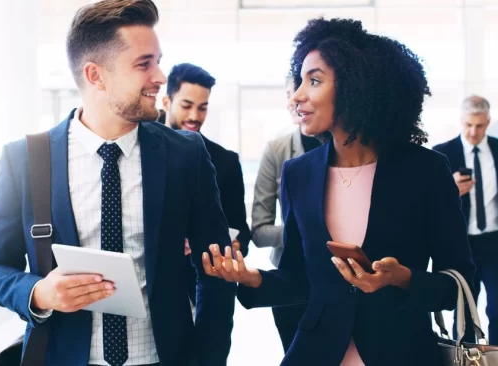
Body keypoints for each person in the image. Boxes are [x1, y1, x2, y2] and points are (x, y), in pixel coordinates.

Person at [0, 1, 236, 365]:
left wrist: (208, 358)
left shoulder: (185, 155)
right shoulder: (26, 159)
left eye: (158, 60)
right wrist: (38, 293)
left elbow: (217, 270)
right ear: (95, 75)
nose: (160, 76)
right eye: (144, 64)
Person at [202, 17, 475, 365]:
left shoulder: (426, 170)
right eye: (299, 80)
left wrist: (403, 278)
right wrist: (252, 278)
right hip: (317, 353)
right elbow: (300, 279)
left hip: (402, 351)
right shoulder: (298, 173)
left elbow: (459, 282)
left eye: (314, 81)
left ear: (355, 86)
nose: (298, 95)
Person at [162, 62, 251, 304]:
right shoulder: (140, 153)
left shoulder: (226, 161)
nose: (194, 117)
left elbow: (241, 229)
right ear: (166, 103)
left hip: (206, 292)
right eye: (186, 106)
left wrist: (234, 245)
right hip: (152, 288)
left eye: (202, 108)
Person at [251, 74, 323, 352]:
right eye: (290, 93)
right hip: (291, 282)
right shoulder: (277, 150)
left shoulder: (347, 150)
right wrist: (306, 231)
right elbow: (259, 232)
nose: (295, 100)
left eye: (307, 90)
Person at [433, 95, 498, 345]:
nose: (473, 131)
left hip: (494, 242)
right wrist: (450, 189)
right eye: (469, 124)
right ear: (461, 121)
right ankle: (466, 359)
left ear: (488, 122)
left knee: (496, 309)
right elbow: (428, 203)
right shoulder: (442, 154)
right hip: (462, 244)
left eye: (480, 125)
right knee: (465, 313)